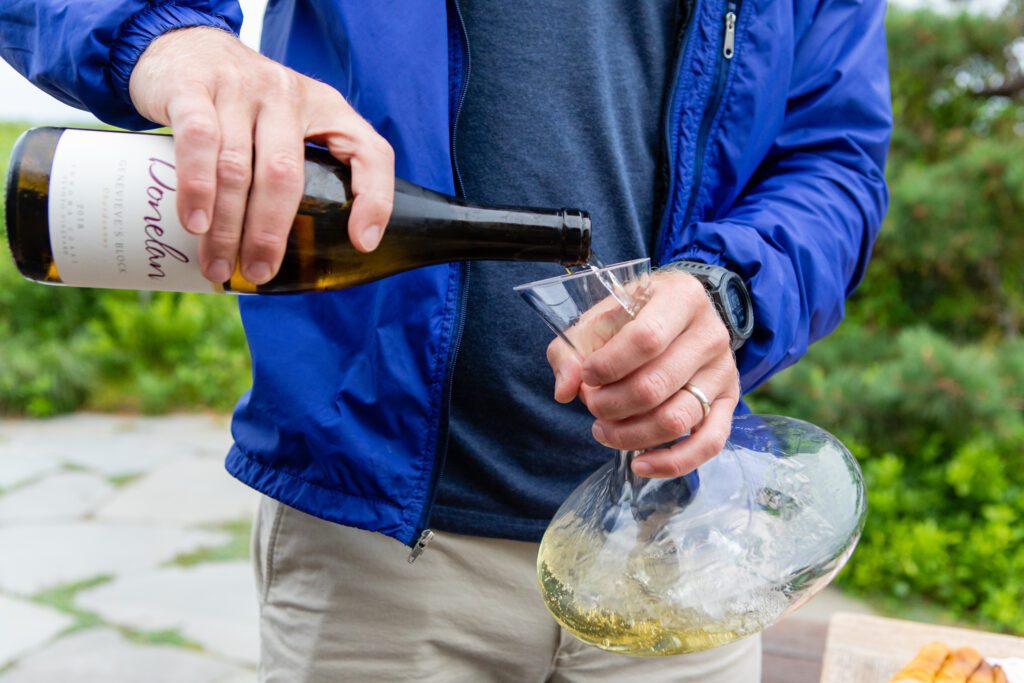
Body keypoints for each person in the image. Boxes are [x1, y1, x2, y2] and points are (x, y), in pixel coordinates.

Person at [1, 1, 891, 681]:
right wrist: (171, 40)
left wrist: (728, 290)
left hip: (690, 550)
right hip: (380, 555)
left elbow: (835, 160)